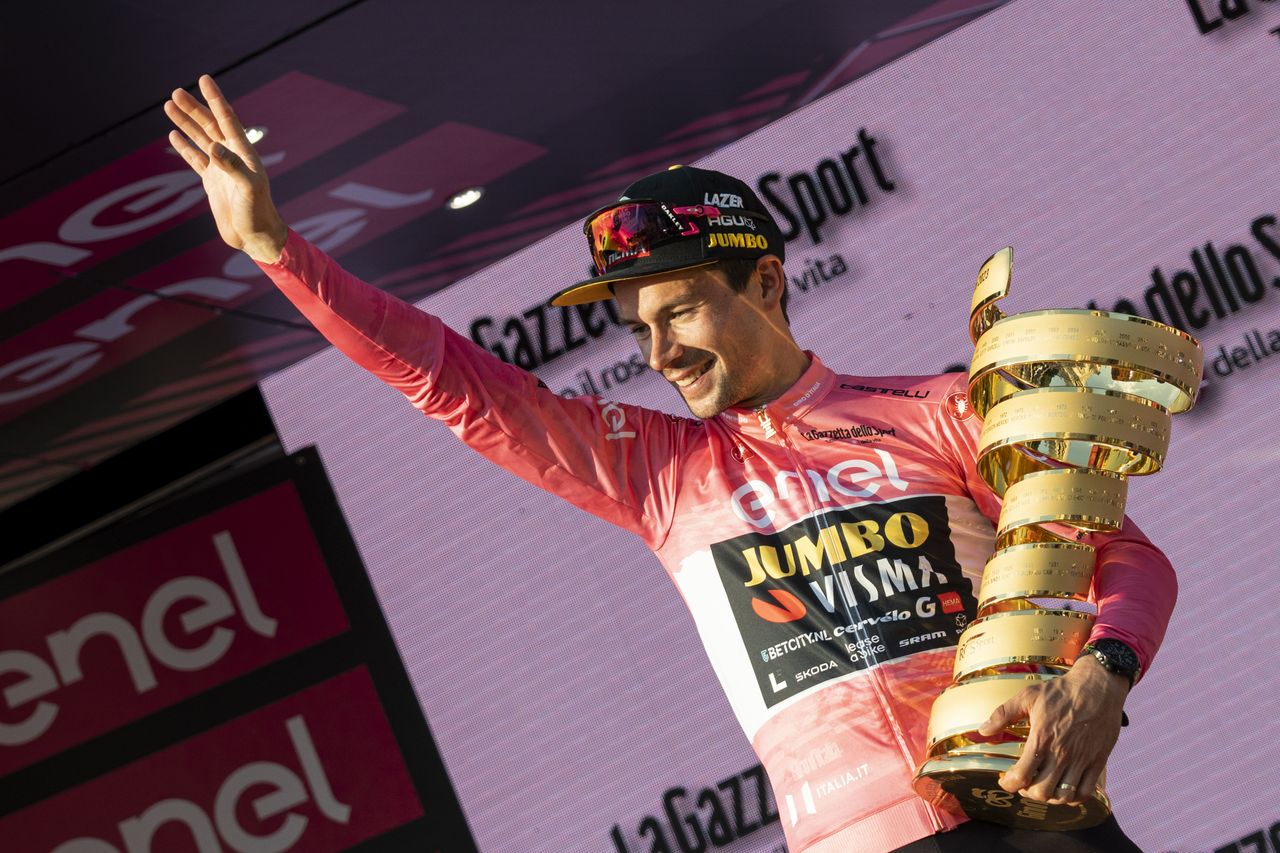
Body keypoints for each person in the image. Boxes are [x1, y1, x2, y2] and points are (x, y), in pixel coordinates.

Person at [164, 74, 1172, 853]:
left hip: (1038, 813)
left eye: (678, 308)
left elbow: (1124, 556)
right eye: (637, 325)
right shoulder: (657, 474)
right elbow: (452, 381)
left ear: (766, 281)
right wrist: (279, 254)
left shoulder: (938, 409)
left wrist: (1102, 670)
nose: (656, 352)